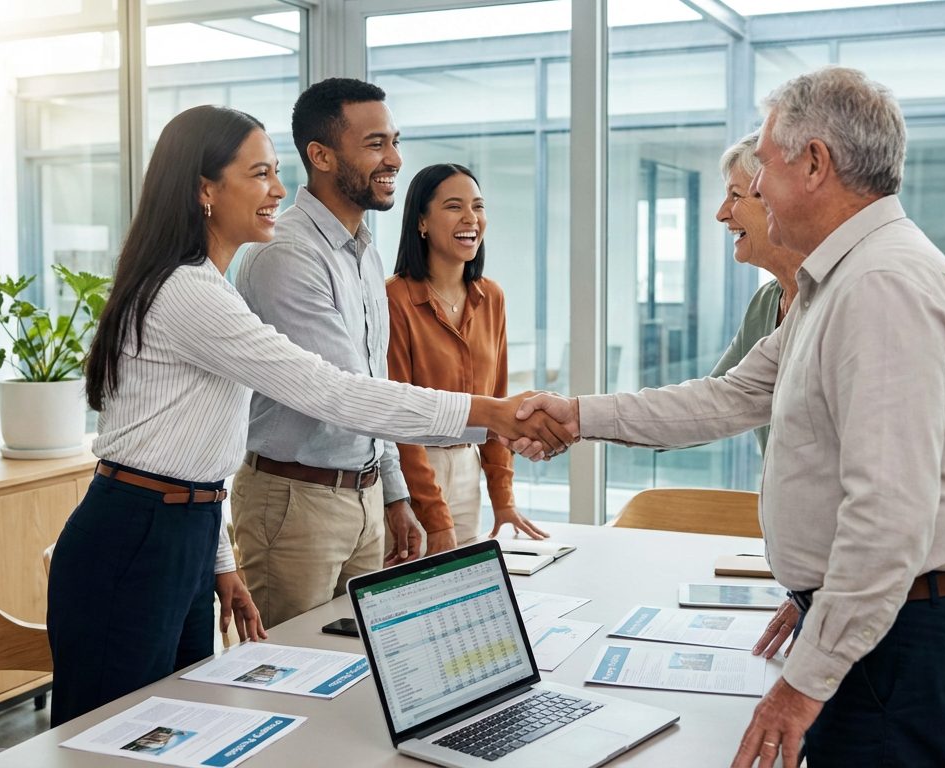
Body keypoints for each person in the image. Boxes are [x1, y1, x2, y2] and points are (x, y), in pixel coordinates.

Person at [514, 67, 945, 768]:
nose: (755, 187)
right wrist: (577, 414)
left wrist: (803, 684)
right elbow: (728, 397)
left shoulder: (880, 286)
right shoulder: (837, 280)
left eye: (766, 166)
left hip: (908, 635)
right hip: (894, 622)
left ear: (814, 163)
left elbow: (890, 515)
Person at [47, 104, 572, 726]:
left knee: (173, 731)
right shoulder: (186, 291)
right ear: (204, 190)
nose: (276, 189)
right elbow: (331, 391)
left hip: (183, 526)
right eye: (259, 174)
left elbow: (200, 457)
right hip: (136, 534)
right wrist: (492, 412)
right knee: (111, 742)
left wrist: (218, 562)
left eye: (274, 172)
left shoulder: (208, 285)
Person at [229, 78, 460, 628]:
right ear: (321, 155)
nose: (395, 159)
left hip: (361, 494)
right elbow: (347, 395)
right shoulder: (287, 255)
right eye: (376, 143)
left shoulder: (364, 253)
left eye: (395, 141)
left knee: (361, 671)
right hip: (295, 502)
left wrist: (392, 493)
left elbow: (371, 382)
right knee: (287, 678)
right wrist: (485, 417)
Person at [386, 163, 549, 555]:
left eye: (478, 206)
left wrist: (503, 498)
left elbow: (497, 408)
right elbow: (398, 423)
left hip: (467, 467)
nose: (470, 218)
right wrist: (435, 516)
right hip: (413, 476)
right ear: (421, 222)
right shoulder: (394, 299)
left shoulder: (491, 297)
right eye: (454, 206)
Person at [708, 131, 807, 455]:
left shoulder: (855, 294)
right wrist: (581, 418)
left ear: (776, 199)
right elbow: (715, 404)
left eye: (736, 196)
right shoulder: (766, 302)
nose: (722, 213)